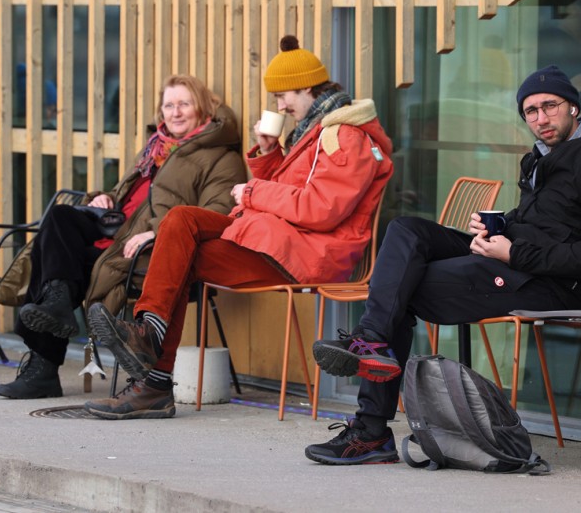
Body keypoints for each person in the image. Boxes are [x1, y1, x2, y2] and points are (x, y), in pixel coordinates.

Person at [306, 65, 581, 465]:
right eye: (530, 112)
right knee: (406, 231)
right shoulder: (544, 159)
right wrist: (499, 225)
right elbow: (543, 221)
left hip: (548, 284)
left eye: (549, 106)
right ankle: (373, 343)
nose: (540, 118)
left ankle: (369, 430)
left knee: (401, 288)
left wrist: (512, 253)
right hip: (511, 263)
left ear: (573, 107)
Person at [83, 35, 394, 420]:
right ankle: (150, 333)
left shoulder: (345, 137)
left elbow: (321, 209)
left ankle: (154, 379)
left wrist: (254, 191)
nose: (280, 105)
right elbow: (296, 192)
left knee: (181, 254)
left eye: (284, 96)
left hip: (304, 255)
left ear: (308, 88)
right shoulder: (316, 130)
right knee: (181, 218)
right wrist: (269, 155)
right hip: (278, 240)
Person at [0, 74, 247, 400]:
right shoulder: (155, 148)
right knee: (60, 218)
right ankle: (56, 304)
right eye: (169, 105)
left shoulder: (220, 158)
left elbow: (218, 213)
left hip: (146, 247)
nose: (176, 112)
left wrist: (158, 232)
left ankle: (43, 367)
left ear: (203, 107)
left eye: (184, 103)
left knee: (57, 263)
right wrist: (104, 199)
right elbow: (129, 196)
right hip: (115, 229)